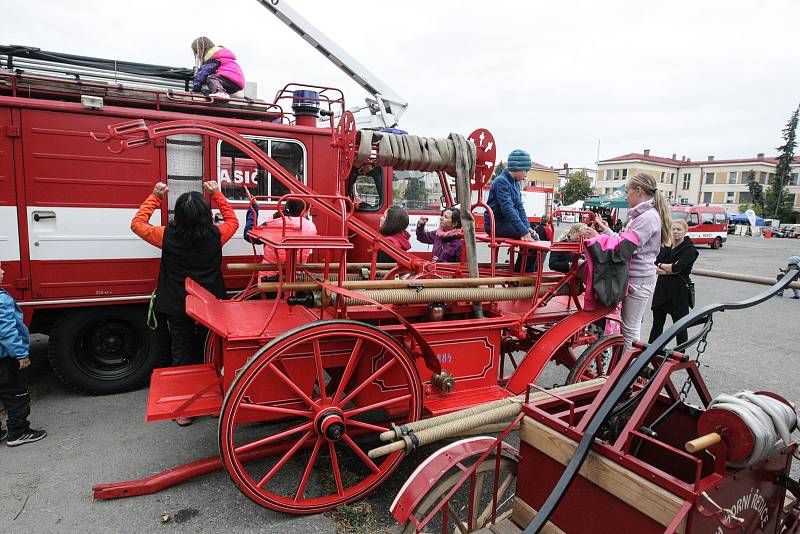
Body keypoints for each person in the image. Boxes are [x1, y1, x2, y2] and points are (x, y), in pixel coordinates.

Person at [131, 181, 238, 426]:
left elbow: (137, 224)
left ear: (178, 215)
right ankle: (212, 403)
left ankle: (184, 410)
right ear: (205, 215)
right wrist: (217, 194)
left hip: (178, 304)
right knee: (209, 352)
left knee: (181, 352)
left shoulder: (166, 235)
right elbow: (233, 221)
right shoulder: (216, 235)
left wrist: (155, 197)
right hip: (210, 305)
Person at [585, 172, 672, 348]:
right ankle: (627, 368)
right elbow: (626, 242)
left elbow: (624, 249)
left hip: (638, 280)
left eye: (627, 191)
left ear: (638, 191)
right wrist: (607, 232)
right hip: (636, 278)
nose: (626, 196)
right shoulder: (643, 216)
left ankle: (629, 371)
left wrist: (598, 239)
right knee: (629, 328)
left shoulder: (647, 218)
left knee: (630, 330)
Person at [0, 262, 46, 447]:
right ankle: (18, 432)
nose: (3, 272)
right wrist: (21, 354)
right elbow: (6, 331)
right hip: (6, 358)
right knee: (16, 394)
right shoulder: (1, 300)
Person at [484, 149, 539, 272]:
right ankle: (521, 274)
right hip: (496, 224)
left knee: (534, 236)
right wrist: (523, 232)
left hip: (505, 223)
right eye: (526, 171)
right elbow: (507, 209)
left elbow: (520, 207)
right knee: (532, 241)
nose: (526, 175)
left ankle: (529, 273)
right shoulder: (501, 182)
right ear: (518, 168)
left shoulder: (515, 183)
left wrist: (527, 228)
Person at [648, 219, 698, 346]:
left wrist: (664, 266)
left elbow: (677, 267)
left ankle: (681, 354)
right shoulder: (666, 247)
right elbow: (655, 265)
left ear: (685, 231)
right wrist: (667, 268)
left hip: (679, 292)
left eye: (679, 229)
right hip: (662, 290)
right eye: (673, 229)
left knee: (680, 326)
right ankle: (650, 353)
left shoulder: (690, 249)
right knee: (657, 324)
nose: (675, 232)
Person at [243, 197, 318, 281]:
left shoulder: (273, 223)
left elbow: (248, 235)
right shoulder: (311, 227)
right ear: (305, 211)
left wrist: (254, 208)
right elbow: (301, 221)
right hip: (296, 278)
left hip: (269, 278)